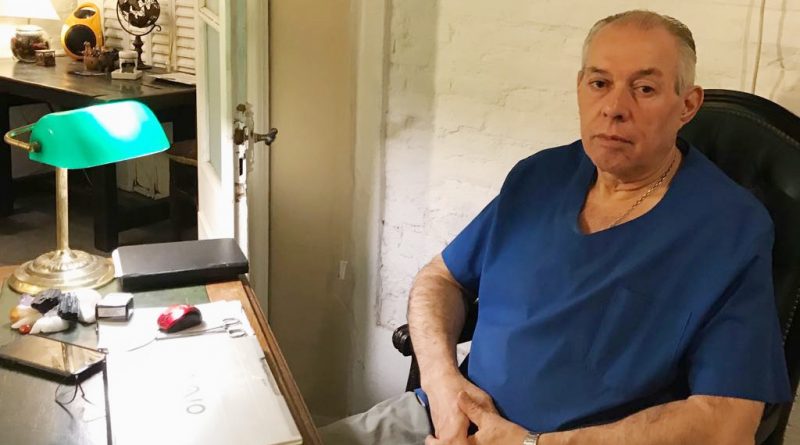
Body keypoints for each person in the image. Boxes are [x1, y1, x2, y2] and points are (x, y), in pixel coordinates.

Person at [321, 9, 791, 445]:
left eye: (645, 89)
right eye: (600, 83)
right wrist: (443, 384)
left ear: (687, 105)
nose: (614, 107)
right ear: (580, 87)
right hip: (442, 418)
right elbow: (440, 278)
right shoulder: (538, 176)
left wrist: (532, 444)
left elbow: (729, 420)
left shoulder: (730, 228)